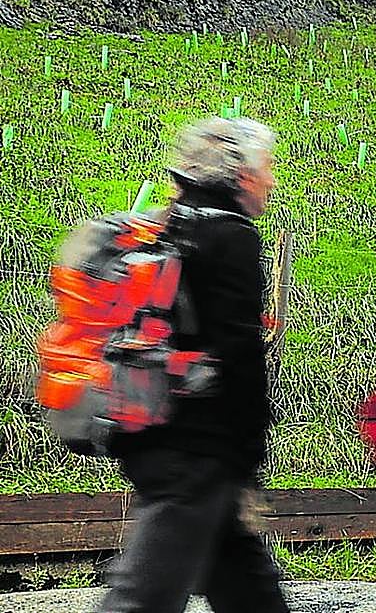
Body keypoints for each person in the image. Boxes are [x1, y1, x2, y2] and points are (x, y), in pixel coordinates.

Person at [99, 116, 289, 613]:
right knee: (143, 599)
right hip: (196, 449)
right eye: (267, 169)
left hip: (152, 427)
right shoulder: (231, 235)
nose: (271, 182)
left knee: (248, 589)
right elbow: (239, 352)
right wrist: (250, 450)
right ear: (242, 176)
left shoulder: (165, 226)